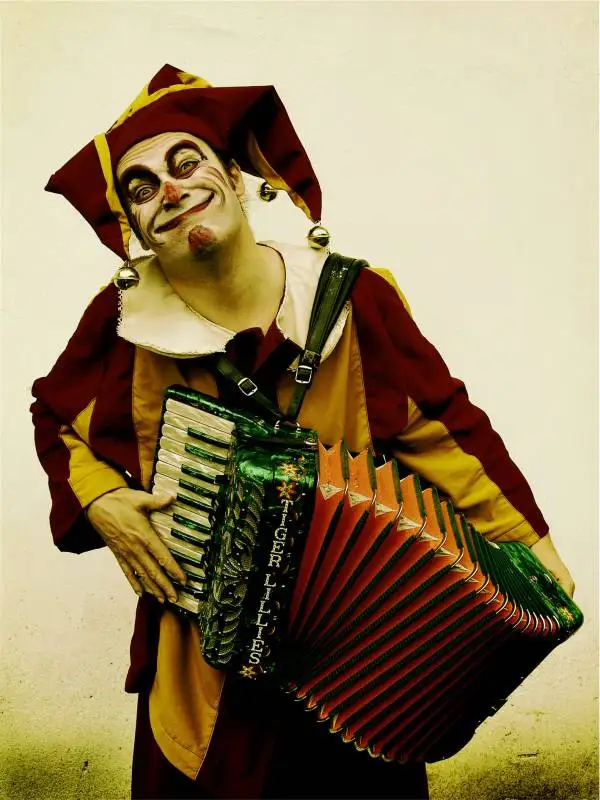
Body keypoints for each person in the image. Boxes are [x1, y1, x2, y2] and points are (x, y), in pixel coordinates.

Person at [31, 64, 575, 800]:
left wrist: (534, 552)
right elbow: (57, 419)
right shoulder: (121, 324)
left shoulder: (356, 301)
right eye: (141, 186)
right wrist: (101, 500)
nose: (170, 189)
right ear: (134, 226)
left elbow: (446, 430)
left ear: (234, 174)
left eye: (186, 162)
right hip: (203, 680)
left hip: (361, 663)